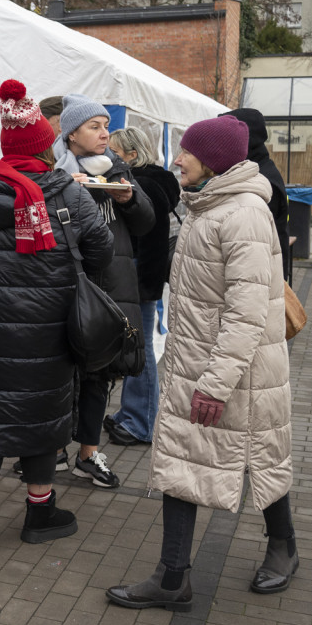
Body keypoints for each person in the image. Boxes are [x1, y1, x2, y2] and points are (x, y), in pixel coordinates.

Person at [106, 116, 297, 612]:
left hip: (237, 372)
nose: (176, 160)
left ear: (212, 159)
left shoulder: (243, 215)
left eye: (186, 152)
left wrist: (214, 383)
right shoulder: (208, 206)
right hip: (198, 360)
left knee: (260, 455)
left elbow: (247, 312)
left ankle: (284, 547)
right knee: (182, 460)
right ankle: (173, 578)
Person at [0, 79, 114, 554]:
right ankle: (39, 510)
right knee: (39, 417)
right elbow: (102, 251)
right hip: (47, 331)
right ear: (45, 148)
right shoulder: (68, 194)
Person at [51, 94, 155, 488]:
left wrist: (128, 199)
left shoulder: (118, 168)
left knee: (99, 374)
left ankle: (88, 454)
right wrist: (66, 189)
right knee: (60, 373)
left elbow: (145, 222)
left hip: (110, 286)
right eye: (94, 126)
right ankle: (54, 450)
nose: (103, 133)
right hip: (65, 284)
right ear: (71, 132)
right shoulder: (54, 171)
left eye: (105, 126)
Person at [103, 127, 181, 446]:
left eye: (115, 152)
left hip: (138, 280)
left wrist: (142, 289)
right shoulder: (151, 181)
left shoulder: (144, 185)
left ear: (132, 156)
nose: (108, 157)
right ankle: (131, 414)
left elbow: (149, 244)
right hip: (136, 279)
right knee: (134, 345)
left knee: (140, 347)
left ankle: (141, 422)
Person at [220, 108, 290, 280]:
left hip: (261, 280)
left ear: (244, 139)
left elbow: (252, 252)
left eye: (224, 137)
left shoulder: (260, 181)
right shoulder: (258, 170)